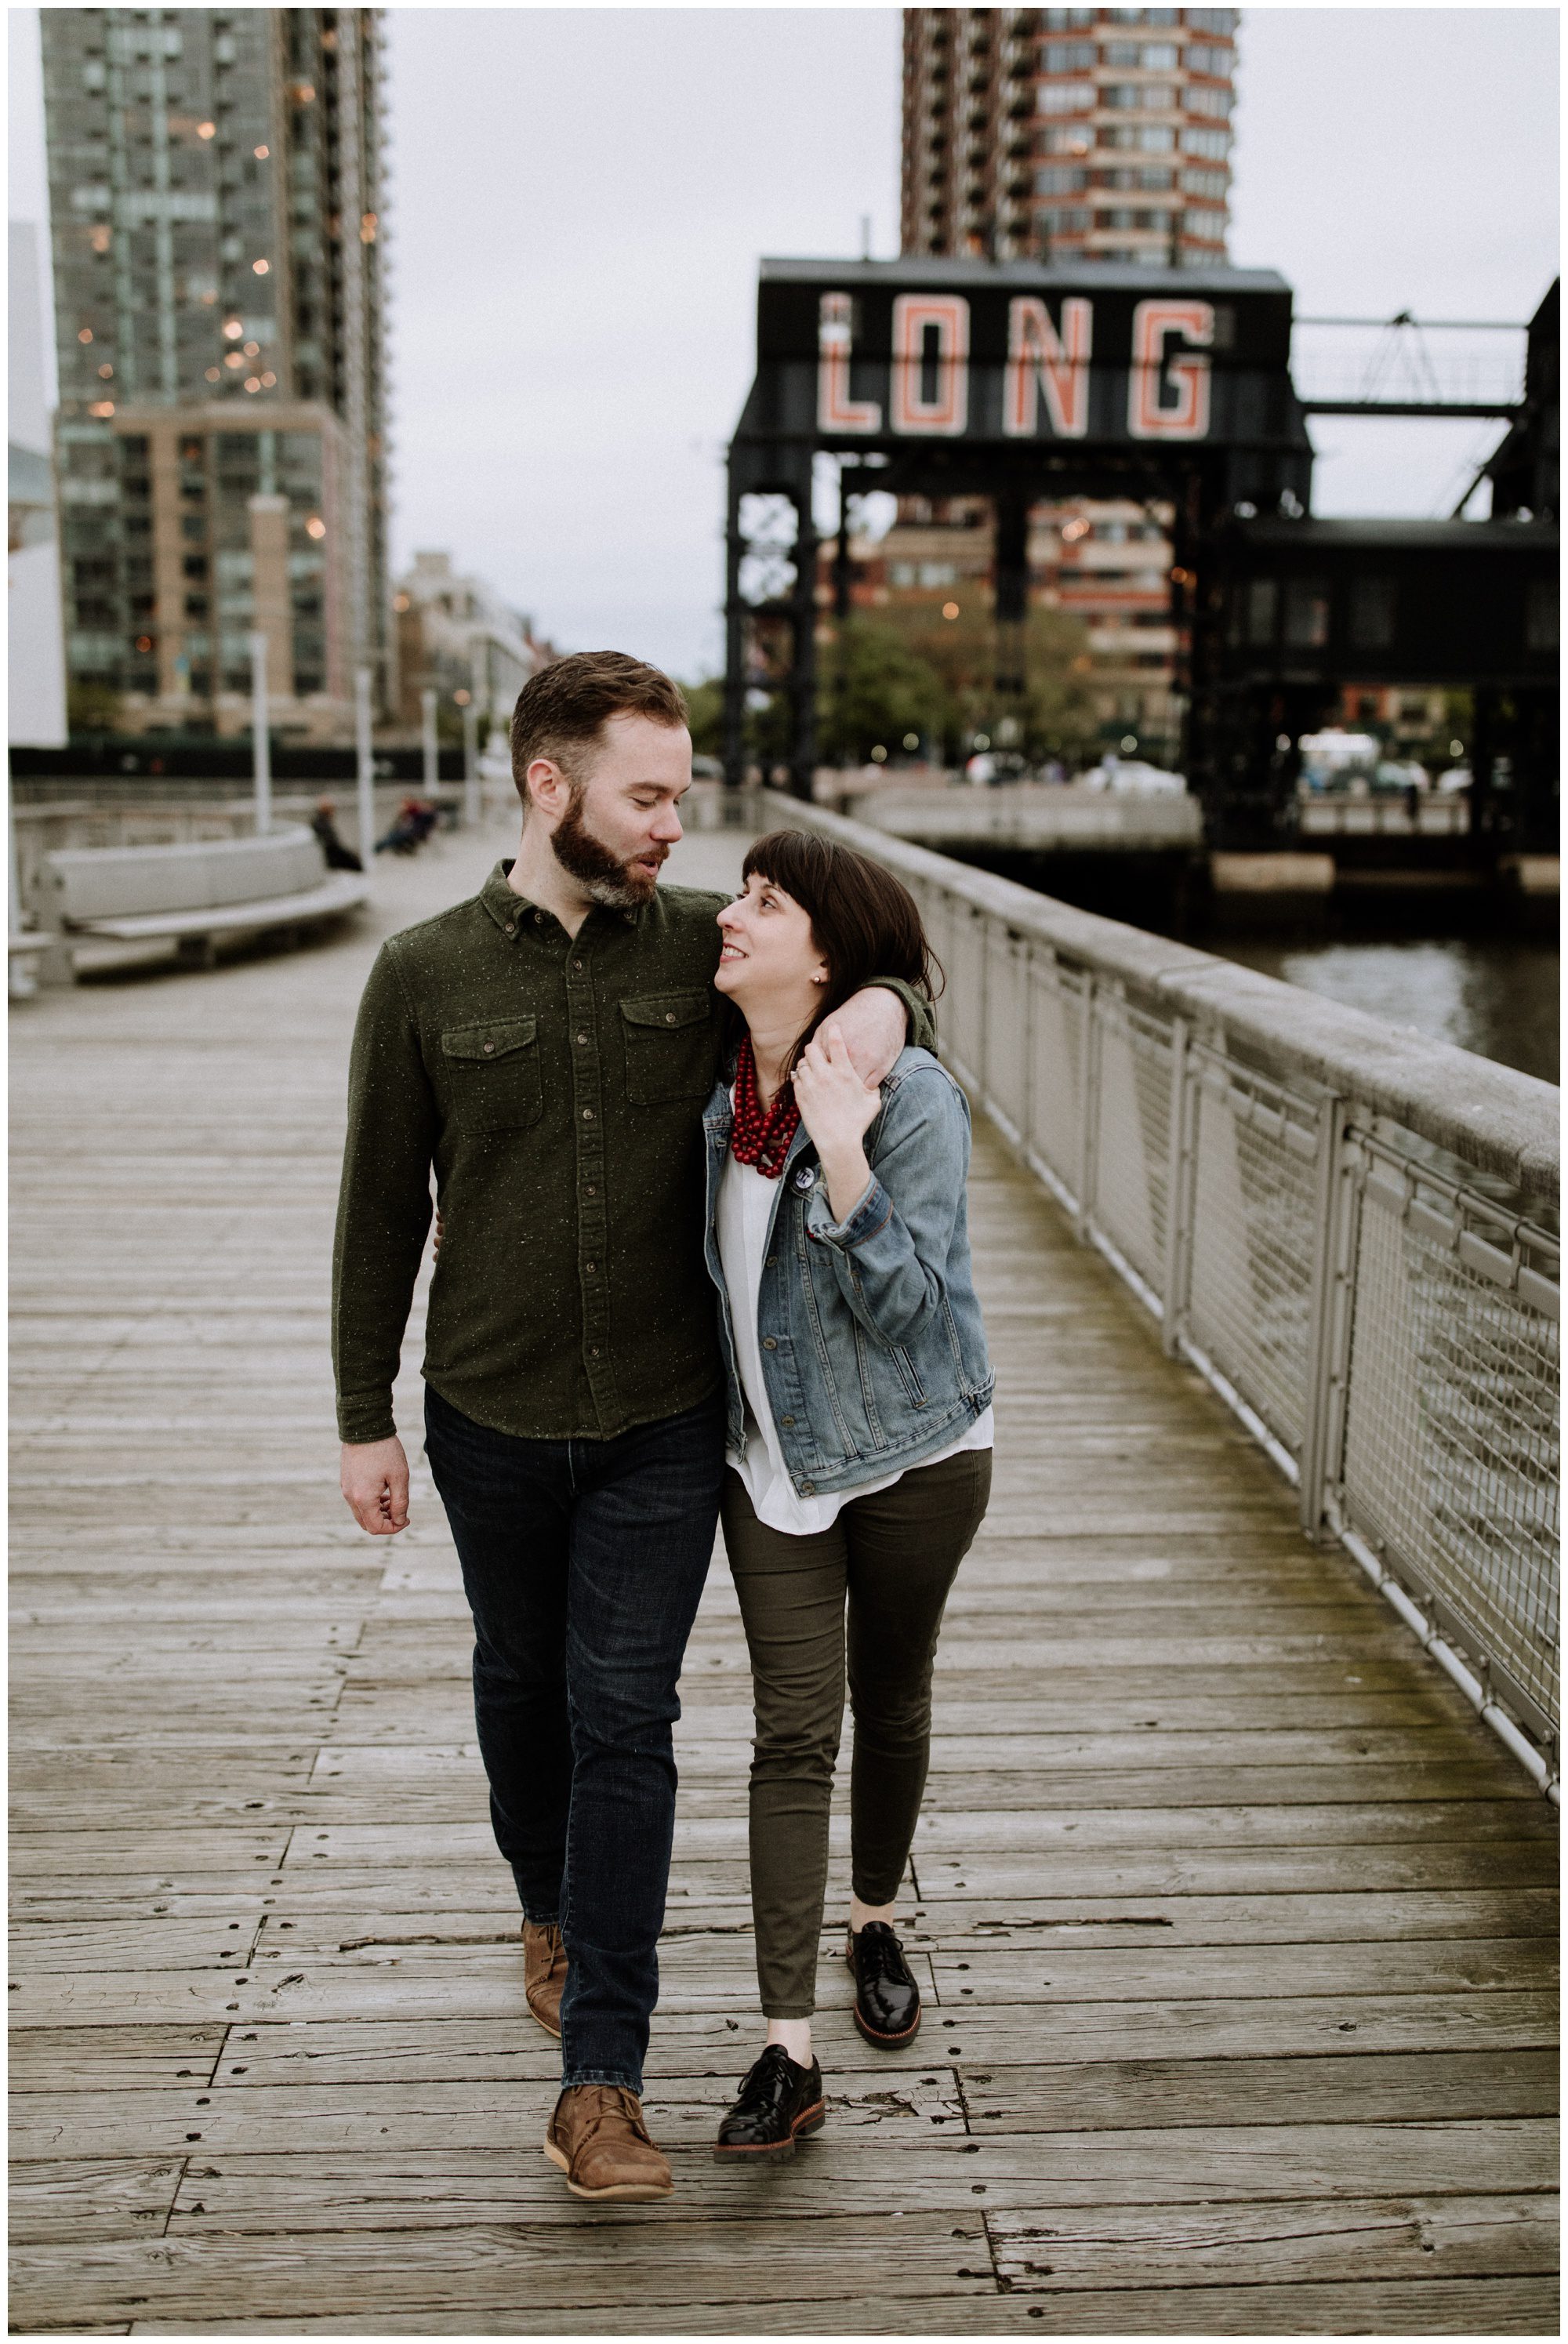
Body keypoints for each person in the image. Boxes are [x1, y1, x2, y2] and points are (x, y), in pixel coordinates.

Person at [332, 652, 932, 2204]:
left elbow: (866, 968)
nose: (678, 824)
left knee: (627, 1718)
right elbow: (378, 1211)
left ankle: (598, 2083)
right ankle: (543, 1900)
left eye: (682, 792)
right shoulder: (421, 974)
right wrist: (362, 1417)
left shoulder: (700, 956)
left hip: (671, 1420)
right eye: (648, 795)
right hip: (487, 1415)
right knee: (521, 1688)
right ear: (552, 786)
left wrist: (876, 1014)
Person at [699, 830, 993, 2164]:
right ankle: (787, 2048)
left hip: (919, 1451)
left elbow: (912, 1311)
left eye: (764, 902)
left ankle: (875, 1913)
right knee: (791, 1735)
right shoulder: (715, 1091)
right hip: (775, 1471)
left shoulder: (907, 1096)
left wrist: (847, 1157)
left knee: (898, 1694)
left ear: (827, 953)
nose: (730, 914)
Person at [310, 796, 364, 873]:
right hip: (331, 858)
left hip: (331, 856)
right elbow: (334, 845)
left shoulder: (321, 823)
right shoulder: (323, 825)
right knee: (358, 864)